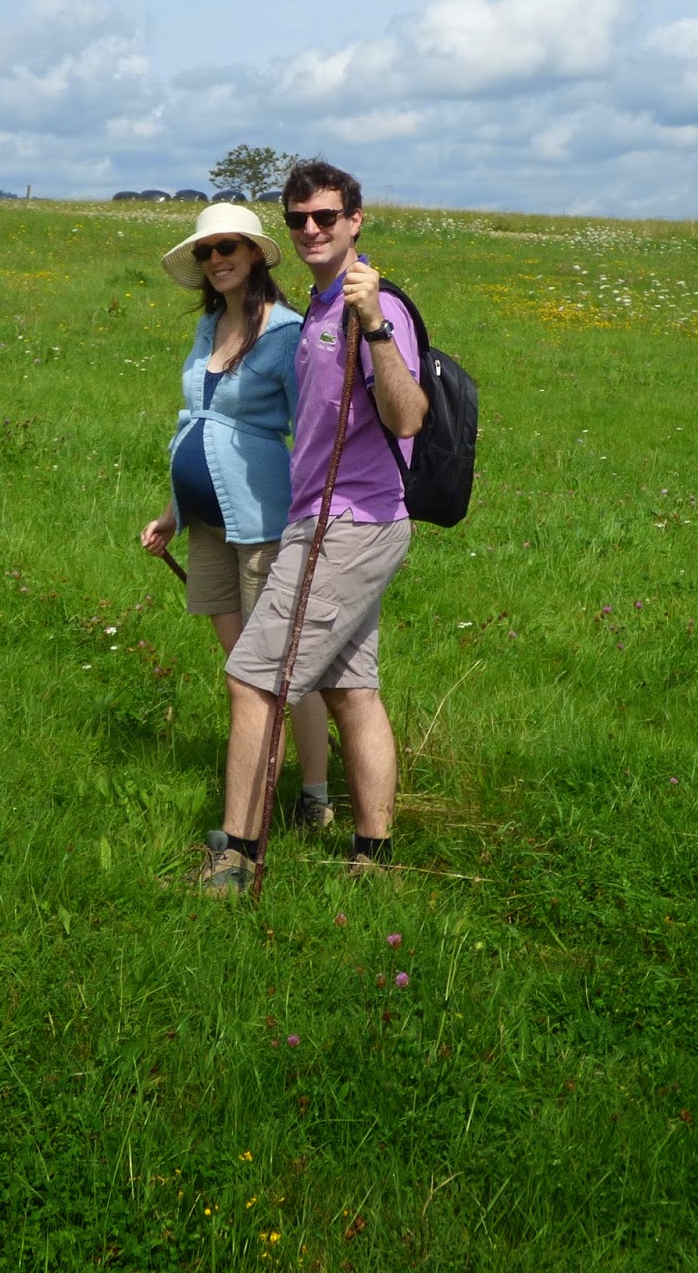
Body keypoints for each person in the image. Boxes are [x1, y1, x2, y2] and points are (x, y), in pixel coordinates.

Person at [194, 160, 428, 892]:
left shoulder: (376, 307)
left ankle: (237, 855)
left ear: (355, 220)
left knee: (253, 681)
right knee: (350, 689)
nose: (312, 229)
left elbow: (408, 418)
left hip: (350, 523)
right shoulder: (319, 310)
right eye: (298, 219)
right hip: (322, 520)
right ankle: (373, 857)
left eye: (326, 216)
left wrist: (375, 325)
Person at [140, 203, 333, 828]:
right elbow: (199, 425)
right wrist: (171, 514)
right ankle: (258, 775)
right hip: (205, 525)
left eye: (228, 247)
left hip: (263, 525)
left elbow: (311, 433)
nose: (216, 259)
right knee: (241, 670)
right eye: (205, 251)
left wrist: (314, 520)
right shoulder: (208, 327)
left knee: (279, 670)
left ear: (254, 254)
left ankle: (313, 795)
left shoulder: (287, 333)